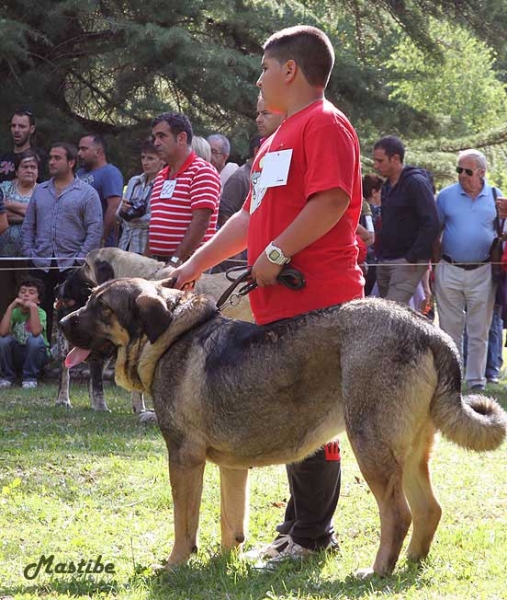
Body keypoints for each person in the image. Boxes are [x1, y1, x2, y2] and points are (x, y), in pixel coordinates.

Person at [171, 25, 363, 565]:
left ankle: (311, 538)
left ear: (290, 71)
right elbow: (246, 217)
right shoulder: (275, 140)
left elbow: (330, 202)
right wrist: (191, 266)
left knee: (315, 418)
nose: (258, 79)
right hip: (280, 303)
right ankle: (297, 528)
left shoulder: (326, 124)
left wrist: (274, 256)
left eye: (262, 69)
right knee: (292, 416)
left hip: (321, 300)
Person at [434, 149, 502, 391]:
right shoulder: (445, 196)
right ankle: (452, 380)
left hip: (482, 270)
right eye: (459, 170)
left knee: (479, 329)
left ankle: (476, 383)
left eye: (468, 170)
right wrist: (434, 268)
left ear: (481, 172)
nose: (462, 175)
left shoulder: (496, 196)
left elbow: (502, 233)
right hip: (449, 267)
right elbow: (435, 231)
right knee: (449, 328)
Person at [21, 142, 103, 343]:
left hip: (72, 265)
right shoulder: (40, 191)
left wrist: (78, 259)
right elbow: (28, 225)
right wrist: (29, 252)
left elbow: (94, 229)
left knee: (75, 313)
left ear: (71, 162)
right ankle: (41, 356)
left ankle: (77, 359)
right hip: (41, 262)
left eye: (57, 158)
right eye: (50, 157)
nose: (51, 162)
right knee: (40, 311)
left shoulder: (87, 193)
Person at [146, 112, 220, 268]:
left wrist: (175, 261)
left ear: (181, 138)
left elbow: (201, 222)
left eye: (161, 136)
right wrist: (147, 261)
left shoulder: (202, 171)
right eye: (154, 138)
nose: (156, 143)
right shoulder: (161, 176)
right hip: (159, 264)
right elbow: (155, 223)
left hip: (189, 266)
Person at [372, 136, 439, 303]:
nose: (376, 166)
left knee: (393, 312)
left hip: (406, 260)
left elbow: (431, 222)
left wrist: (412, 256)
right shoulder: (387, 186)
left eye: (380, 161)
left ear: (395, 159)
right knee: (383, 313)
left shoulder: (416, 183)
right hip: (386, 258)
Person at [0, 149, 40, 316]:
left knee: (27, 298)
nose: (29, 170)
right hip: (3, 254)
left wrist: (10, 205)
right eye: (25, 166)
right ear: (16, 171)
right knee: (3, 297)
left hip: (29, 256)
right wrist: (27, 214)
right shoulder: (4, 187)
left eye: (33, 167)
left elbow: (40, 217)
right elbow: (3, 217)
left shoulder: (43, 191)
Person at [0, 277, 49, 389]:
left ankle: (30, 378)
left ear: (38, 300)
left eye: (31, 292)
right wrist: (10, 307)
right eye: (22, 292)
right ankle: (7, 377)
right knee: (3, 340)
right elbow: (2, 332)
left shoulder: (41, 313)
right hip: (18, 353)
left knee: (35, 340)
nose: (26, 295)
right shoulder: (15, 312)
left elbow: (36, 332)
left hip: (38, 355)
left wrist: (33, 308)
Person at [117, 140, 164, 254]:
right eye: (143, 158)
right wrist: (124, 211)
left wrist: (133, 218)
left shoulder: (165, 183)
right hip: (125, 244)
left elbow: (157, 218)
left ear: (162, 160)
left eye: (150, 158)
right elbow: (118, 215)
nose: (145, 162)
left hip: (145, 248)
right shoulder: (134, 181)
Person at [76, 134, 124, 247]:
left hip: (100, 244)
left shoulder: (110, 173)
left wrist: (101, 238)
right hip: (78, 241)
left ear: (98, 152)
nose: (79, 153)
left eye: (84, 149)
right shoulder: (79, 173)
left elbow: (113, 208)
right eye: (79, 149)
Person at [0, 109, 45, 183]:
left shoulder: (40, 158)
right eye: (13, 126)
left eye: (22, 126)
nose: (16, 130)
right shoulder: (2, 158)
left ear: (32, 129)